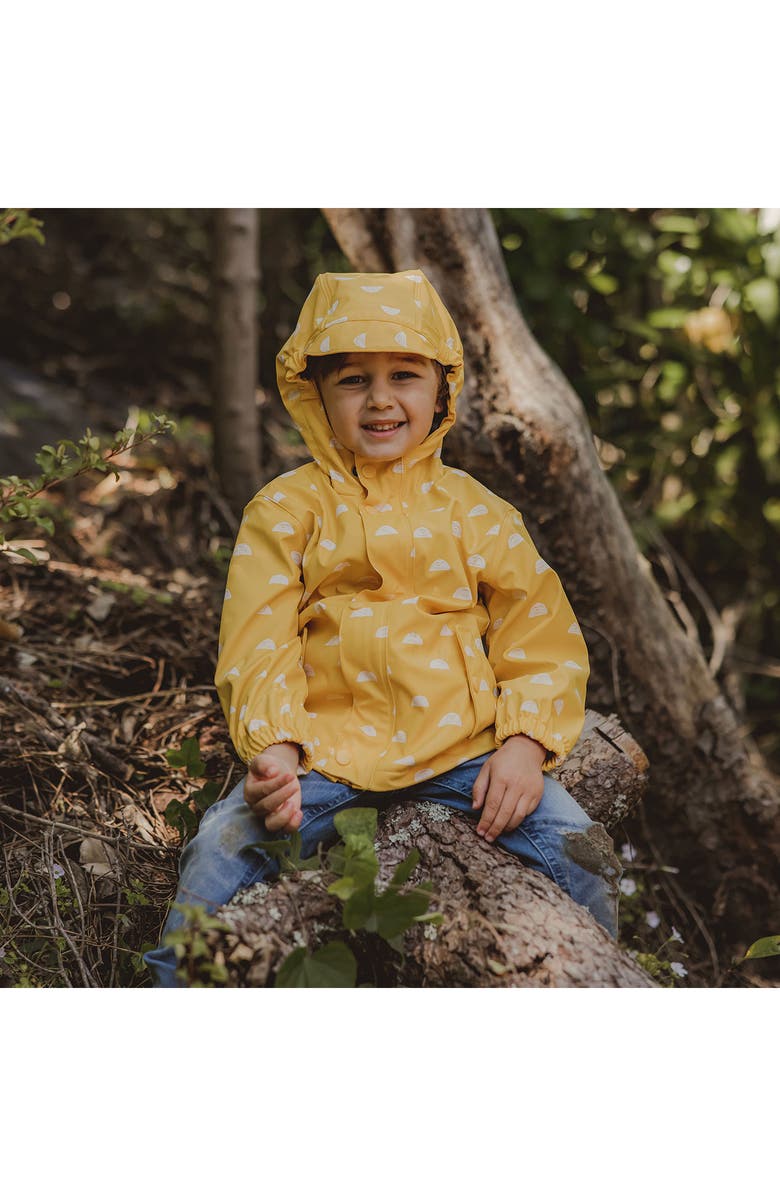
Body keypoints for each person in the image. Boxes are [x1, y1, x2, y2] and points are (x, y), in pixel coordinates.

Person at [144, 268, 621, 987]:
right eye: (352, 380)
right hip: (324, 758)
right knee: (219, 844)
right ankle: (170, 989)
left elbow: (538, 631)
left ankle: (602, 988)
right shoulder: (286, 510)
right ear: (315, 394)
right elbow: (258, 638)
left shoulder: (477, 511)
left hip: (465, 752)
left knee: (581, 850)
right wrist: (273, 748)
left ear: (441, 390)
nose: (380, 399)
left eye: (404, 374)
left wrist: (525, 744)